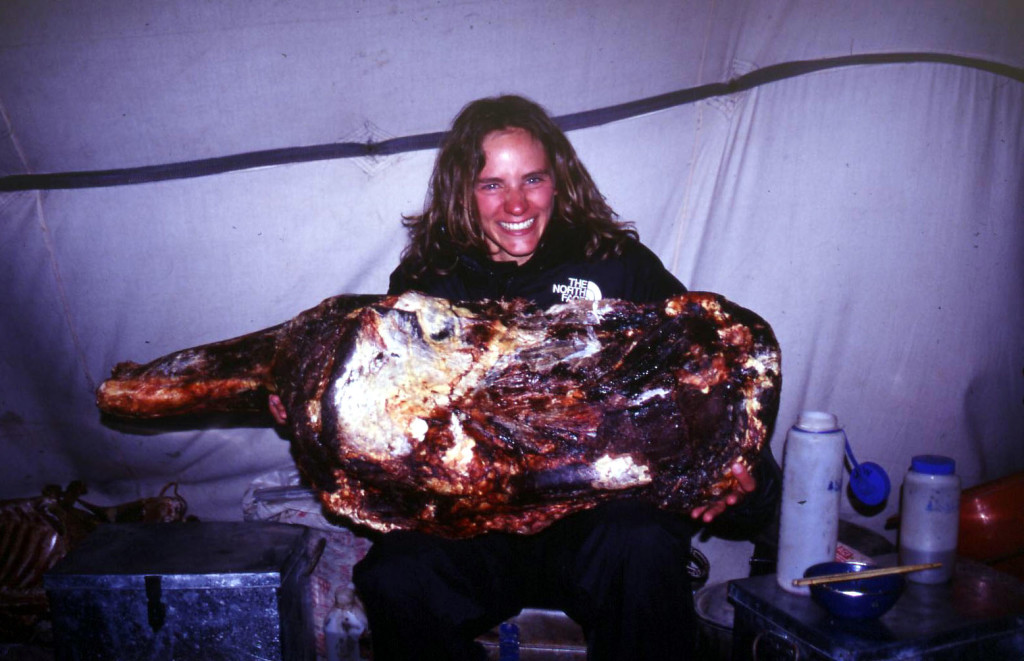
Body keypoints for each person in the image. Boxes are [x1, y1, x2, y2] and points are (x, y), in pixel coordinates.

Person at [274, 94, 779, 660]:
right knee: (397, 577)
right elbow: (391, 429)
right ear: (462, 193)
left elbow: (708, 381)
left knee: (642, 545)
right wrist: (315, 419)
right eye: (492, 184)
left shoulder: (618, 265)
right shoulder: (425, 284)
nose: (516, 203)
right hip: (476, 528)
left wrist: (747, 477)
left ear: (558, 180)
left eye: (532, 179)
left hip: (600, 522)